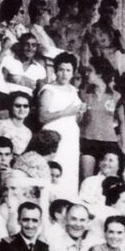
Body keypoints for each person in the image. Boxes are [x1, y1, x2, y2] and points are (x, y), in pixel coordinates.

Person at [37, 51, 83, 195]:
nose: (64, 74)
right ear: (55, 70)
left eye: (68, 70)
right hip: (53, 135)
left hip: (71, 137)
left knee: (69, 171)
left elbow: (75, 118)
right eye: (61, 69)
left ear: (73, 72)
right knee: (54, 169)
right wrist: (65, 112)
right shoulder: (49, 90)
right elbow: (42, 117)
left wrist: (80, 113)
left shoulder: (74, 90)